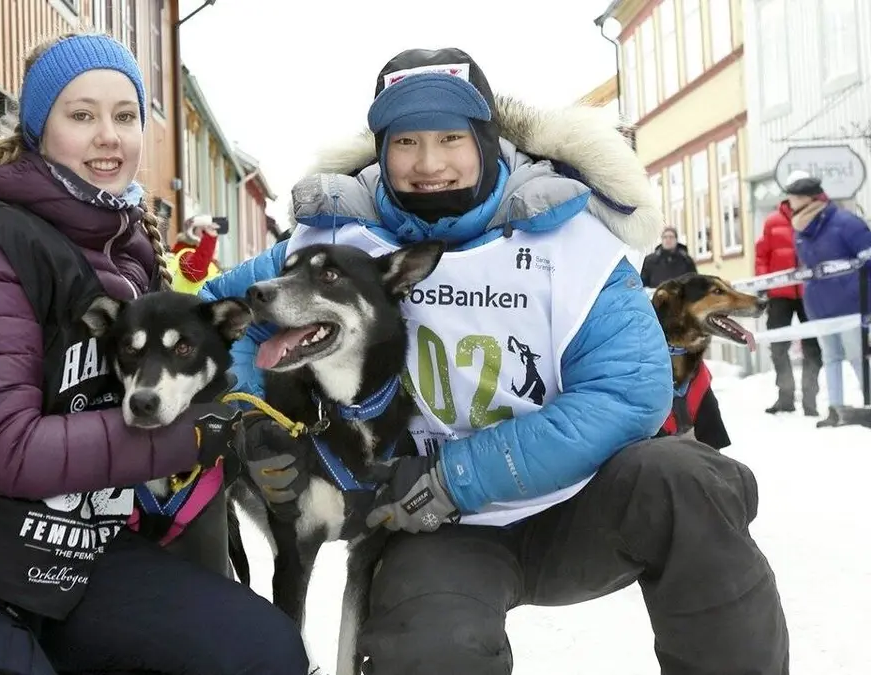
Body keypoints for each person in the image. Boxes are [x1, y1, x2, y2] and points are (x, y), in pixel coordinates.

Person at [204, 48, 788, 674]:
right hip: (429, 526)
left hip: (575, 504)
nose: (430, 164)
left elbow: (630, 392)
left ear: (485, 139)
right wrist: (251, 412)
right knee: (429, 648)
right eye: (405, 142)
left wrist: (459, 476)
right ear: (380, 149)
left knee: (686, 479)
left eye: (451, 138)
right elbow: (219, 313)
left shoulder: (567, 237)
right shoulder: (339, 241)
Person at [0, 30, 307, 675]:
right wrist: (194, 435)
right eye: (82, 116)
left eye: (125, 116)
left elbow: (195, 361)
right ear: (38, 130)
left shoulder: (130, 252)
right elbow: (8, 452)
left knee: (261, 651)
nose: (108, 135)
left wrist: (256, 394)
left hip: (64, 557)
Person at [787, 174, 871, 428]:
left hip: (850, 305)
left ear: (808, 199)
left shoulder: (846, 223)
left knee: (858, 356)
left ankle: (869, 406)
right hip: (820, 307)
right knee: (831, 357)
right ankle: (836, 410)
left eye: (793, 198)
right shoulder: (801, 230)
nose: (790, 204)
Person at [755, 169, 821, 416]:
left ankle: (810, 400)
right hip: (779, 294)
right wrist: (764, 285)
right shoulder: (772, 221)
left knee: (813, 347)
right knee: (778, 346)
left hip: (809, 293)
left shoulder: (814, 219)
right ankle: (785, 397)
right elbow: (762, 256)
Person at [168, 214, 223, 294]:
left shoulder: (207, 260)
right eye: (204, 231)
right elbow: (195, 271)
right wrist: (209, 239)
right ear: (191, 233)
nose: (213, 233)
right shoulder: (185, 254)